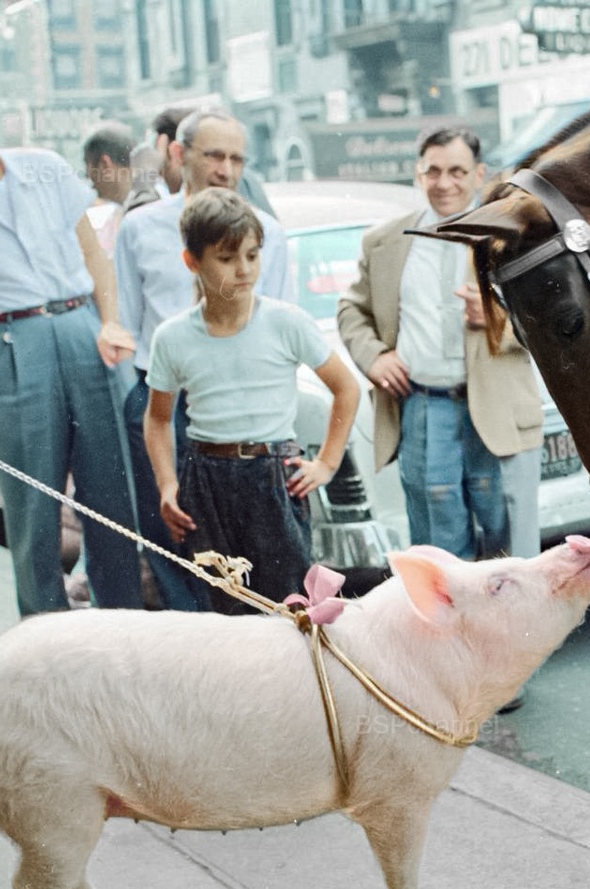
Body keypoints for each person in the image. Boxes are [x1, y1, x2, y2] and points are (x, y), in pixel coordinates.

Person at [143, 189, 359, 614]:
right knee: (225, 604)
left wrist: (327, 463)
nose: (243, 270)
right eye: (226, 258)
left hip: (273, 476)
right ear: (192, 262)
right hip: (206, 481)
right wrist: (168, 484)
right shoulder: (172, 337)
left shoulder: (285, 322)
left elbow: (345, 388)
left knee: (290, 601)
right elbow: (157, 419)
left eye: (252, 255)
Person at [337, 125, 544, 563]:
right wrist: (374, 357)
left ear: (478, 174)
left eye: (456, 171)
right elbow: (351, 310)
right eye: (433, 171)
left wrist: (499, 321)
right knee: (439, 554)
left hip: (496, 409)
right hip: (423, 408)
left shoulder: (515, 238)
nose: (444, 182)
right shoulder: (386, 240)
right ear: (418, 173)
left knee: (510, 553)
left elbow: (556, 322)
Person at [116, 106, 294, 610]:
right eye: (213, 154)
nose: (226, 169)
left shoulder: (269, 236)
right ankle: (187, 632)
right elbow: (129, 323)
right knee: (170, 527)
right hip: (162, 401)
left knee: (251, 538)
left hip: (240, 405)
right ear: (178, 153)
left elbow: (279, 325)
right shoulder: (141, 228)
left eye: (236, 157)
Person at [0, 110, 142, 616]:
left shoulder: (43, 167)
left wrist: (110, 320)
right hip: (3, 340)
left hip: (82, 327)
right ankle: (45, 634)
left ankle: (124, 625)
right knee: (32, 505)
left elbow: (95, 256)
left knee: (112, 493)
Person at [81, 121, 135, 255]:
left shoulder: (98, 220)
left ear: (104, 165)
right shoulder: (158, 201)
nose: (88, 178)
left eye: (88, 166)